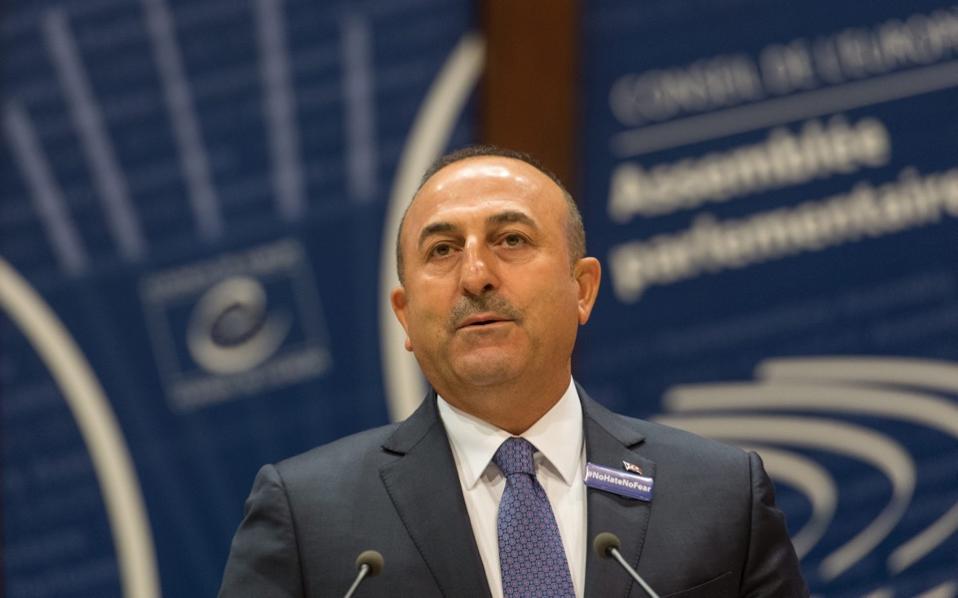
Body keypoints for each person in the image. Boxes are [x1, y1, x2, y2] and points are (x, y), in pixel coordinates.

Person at [218, 146, 809, 597]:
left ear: (583, 289)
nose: (476, 275)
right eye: (442, 250)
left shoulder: (719, 494)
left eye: (511, 239)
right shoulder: (309, 519)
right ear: (404, 315)